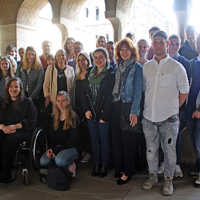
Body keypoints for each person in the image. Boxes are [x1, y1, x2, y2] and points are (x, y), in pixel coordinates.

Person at [142, 31, 189, 196]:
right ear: (152, 44)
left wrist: (173, 108)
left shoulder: (177, 67)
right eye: (155, 42)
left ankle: (168, 180)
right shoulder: (146, 67)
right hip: (148, 117)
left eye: (161, 42)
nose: (158, 45)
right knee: (151, 150)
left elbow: (184, 91)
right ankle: (153, 175)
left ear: (167, 44)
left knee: (169, 151)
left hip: (169, 119)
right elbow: (144, 91)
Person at [112, 38, 143, 185]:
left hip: (130, 106)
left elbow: (138, 92)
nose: (124, 52)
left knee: (129, 142)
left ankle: (128, 171)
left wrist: (134, 112)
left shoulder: (137, 68)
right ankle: (122, 167)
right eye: (121, 50)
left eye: (127, 49)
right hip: (118, 106)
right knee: (119, 141)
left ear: (132, 51)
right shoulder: (119, 66)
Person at [82, 48, 114, 177]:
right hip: (91, 113)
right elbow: (84, 94)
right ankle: (96, 164)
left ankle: (104, 165)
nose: (98, 60)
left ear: (106, 58)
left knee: (104, 140)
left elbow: (110, 97)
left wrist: (104, 115)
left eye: (101, 57)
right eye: (95, 57)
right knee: (94, 140)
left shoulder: (111, 73)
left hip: (103, 113)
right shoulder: (89, 72)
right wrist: (86, 110)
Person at [0, 77, 37, 183]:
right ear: (7, 89)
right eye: (11, 87)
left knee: (10, 140)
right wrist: (3, 127)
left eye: (16, 87)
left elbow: (32, 121)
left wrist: (15, 126)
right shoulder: (3, 103)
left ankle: (6, 172)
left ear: (20, 88)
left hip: (23, 131)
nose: (13, 89)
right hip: (5, 129)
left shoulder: (27, 102)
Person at [40, 91, 79, 177]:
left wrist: (57, 151)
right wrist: (50, 149)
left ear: (68, 102)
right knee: (43, 161)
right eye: (58, 101)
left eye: (63, 100)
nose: (60, 103)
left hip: (71, 148)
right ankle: (61, 166)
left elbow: (73, 140)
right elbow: (50, 137)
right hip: (57, 148)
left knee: (59, 160)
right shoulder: (54, 117)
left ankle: (71, 164)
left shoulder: (73, 117)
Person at [71, 52, 91, 163]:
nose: (81, 62)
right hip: (78, 106)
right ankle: (82, 152)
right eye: (79, 60)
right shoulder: (77, 75)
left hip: (88, 107)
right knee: (81, 131)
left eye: (83, 59)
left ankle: (89, 152)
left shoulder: (91, 73)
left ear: (88, 61)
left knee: (88, 131)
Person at [187, 34, 200, 186]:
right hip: (191, 109)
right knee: (194, 140)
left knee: (199, 143)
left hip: (198, 110)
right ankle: (198, 168)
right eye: (198, 42)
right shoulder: (193, 63)